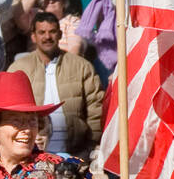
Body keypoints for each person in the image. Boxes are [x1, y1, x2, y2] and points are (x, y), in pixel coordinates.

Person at [8, 12, 103, 160]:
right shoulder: (19, 68)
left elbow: (96, 108)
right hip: (31, 157)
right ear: (33, 36)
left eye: (52, 32)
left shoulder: (81, 66)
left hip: (74, 155)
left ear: (60, 34)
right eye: (42, 32)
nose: (47, 37)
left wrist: (90, 146)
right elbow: (9, 111)